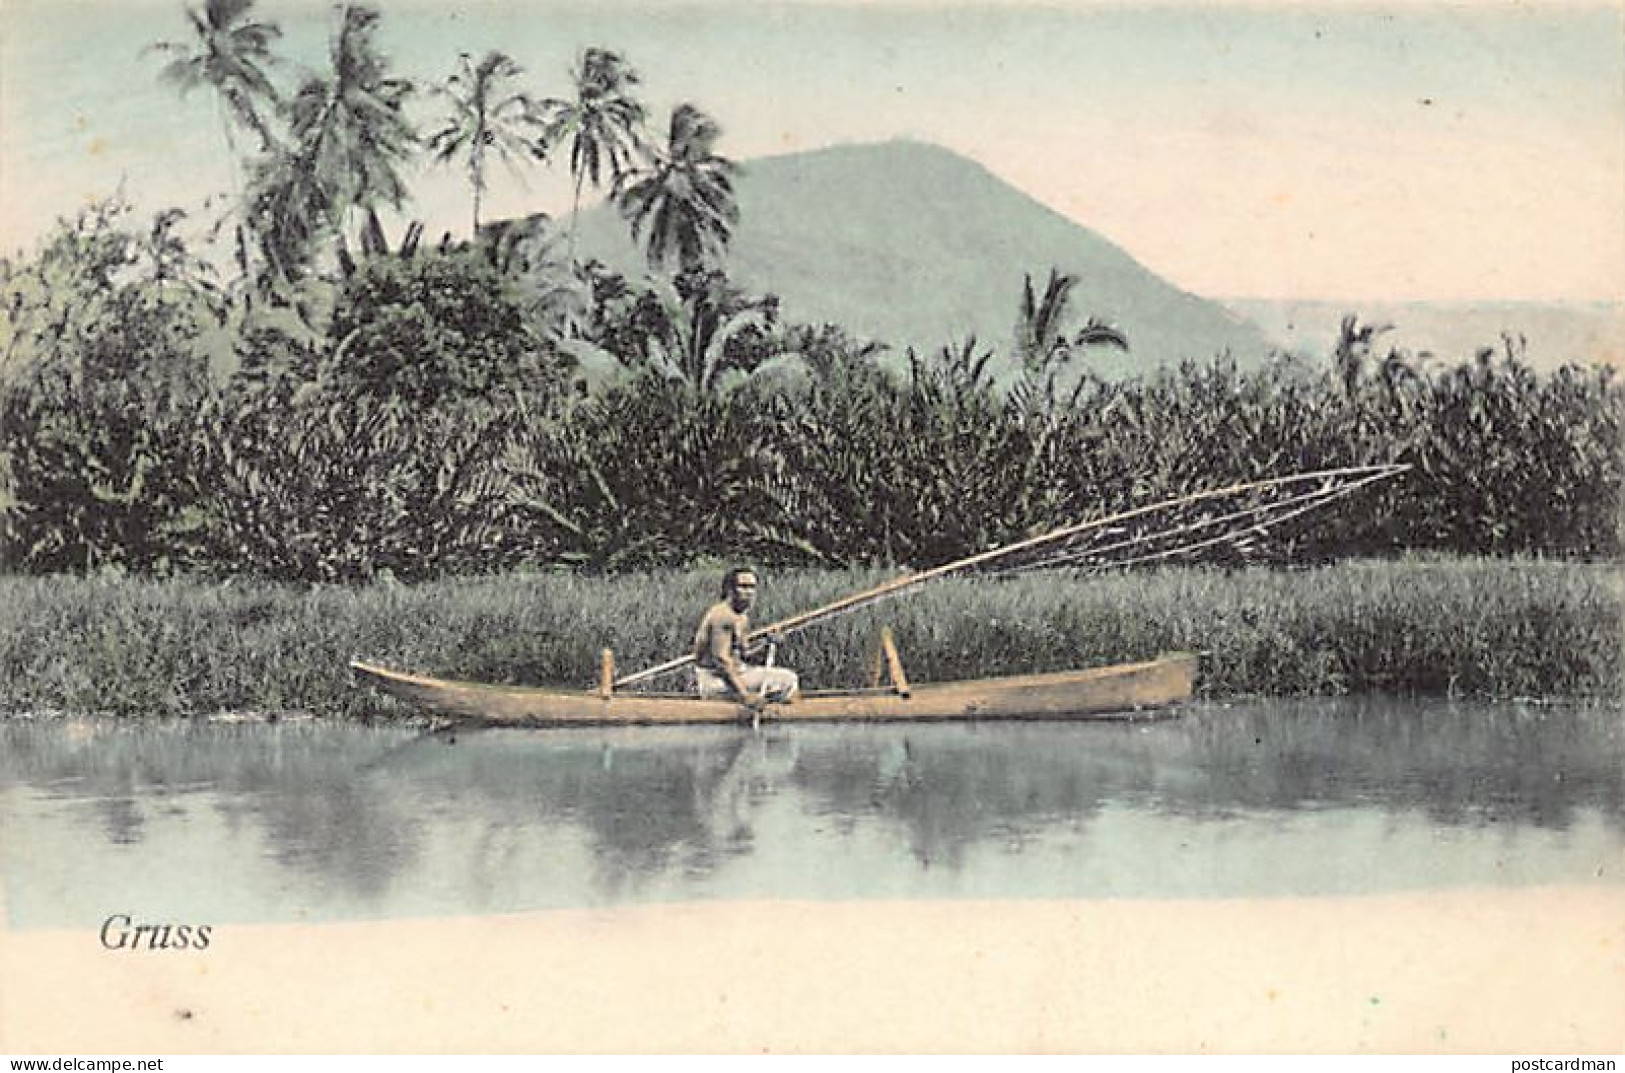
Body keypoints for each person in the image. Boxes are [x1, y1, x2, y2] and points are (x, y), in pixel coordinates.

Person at [692, 567, 799, 704]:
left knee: (783, 678)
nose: (749, 592)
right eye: (743, 587)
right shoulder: (723, 616)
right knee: (789, 679)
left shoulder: (741, 617)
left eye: (752, 587)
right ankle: (794, 716)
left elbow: (745, 654)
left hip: (738, 675)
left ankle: (775, 712)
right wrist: (744, 695)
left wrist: (767, 642)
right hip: (716, 682)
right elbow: (722, 661)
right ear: (730, 590)